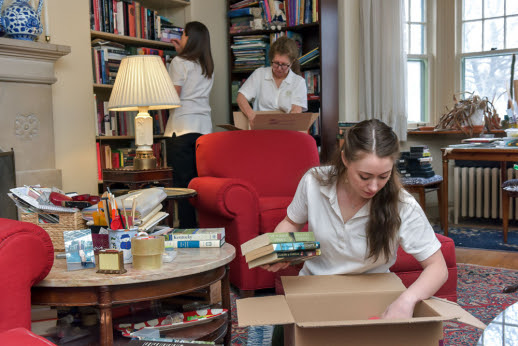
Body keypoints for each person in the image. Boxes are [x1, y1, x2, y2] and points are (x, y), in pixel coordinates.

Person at [266, 119, 448, 322]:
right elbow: (291, 222)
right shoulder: (314, 181)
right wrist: (279, 249)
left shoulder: (402, 204)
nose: (373, 186)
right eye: (364, 176)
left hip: (372, 295)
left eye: (383, 176)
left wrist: (407, 300)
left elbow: (437, 267)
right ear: (345, 159)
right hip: (314, 289)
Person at [164, 21, 214, 228]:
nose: (181, 38)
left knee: (182, 187)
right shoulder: (207, 65)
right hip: (204, 131)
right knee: (198, 184)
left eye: (183, 35)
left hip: (181, 128)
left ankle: (186, 230)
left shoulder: (178, 62)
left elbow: (172, 95)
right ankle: (203, 227)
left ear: (190, 38)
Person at [236, 36, 308, 128]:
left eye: (284, 65)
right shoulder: (259, 74)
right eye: (276, 63)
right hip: (259, 129)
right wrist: (251, 115)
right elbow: (241, 97)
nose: (279, 68)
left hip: (285, 129)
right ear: (271, 59)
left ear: (292, 62)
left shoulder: (298, 82)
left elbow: (296, 111)